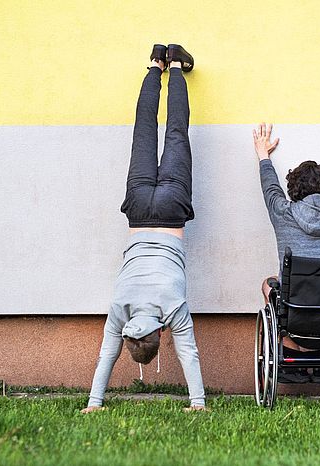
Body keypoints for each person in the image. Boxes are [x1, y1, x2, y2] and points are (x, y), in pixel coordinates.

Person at [81, 44, 205, 413]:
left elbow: (190, 353)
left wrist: (197, 402)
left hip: (170, 212)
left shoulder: (174, 308)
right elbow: (107, 353)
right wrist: (93, 402)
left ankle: (178, 67)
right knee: (143, 133)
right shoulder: (120, 308)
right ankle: (155, 66)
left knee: (177, 133)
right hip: (137, 211)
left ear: (160, 333)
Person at [252, 121, 320, 382]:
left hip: (296, 320)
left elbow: (270, 189)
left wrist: (263, 155)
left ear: (293, 191)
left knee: (269, 285)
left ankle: (293, 358)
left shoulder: (282, 212)